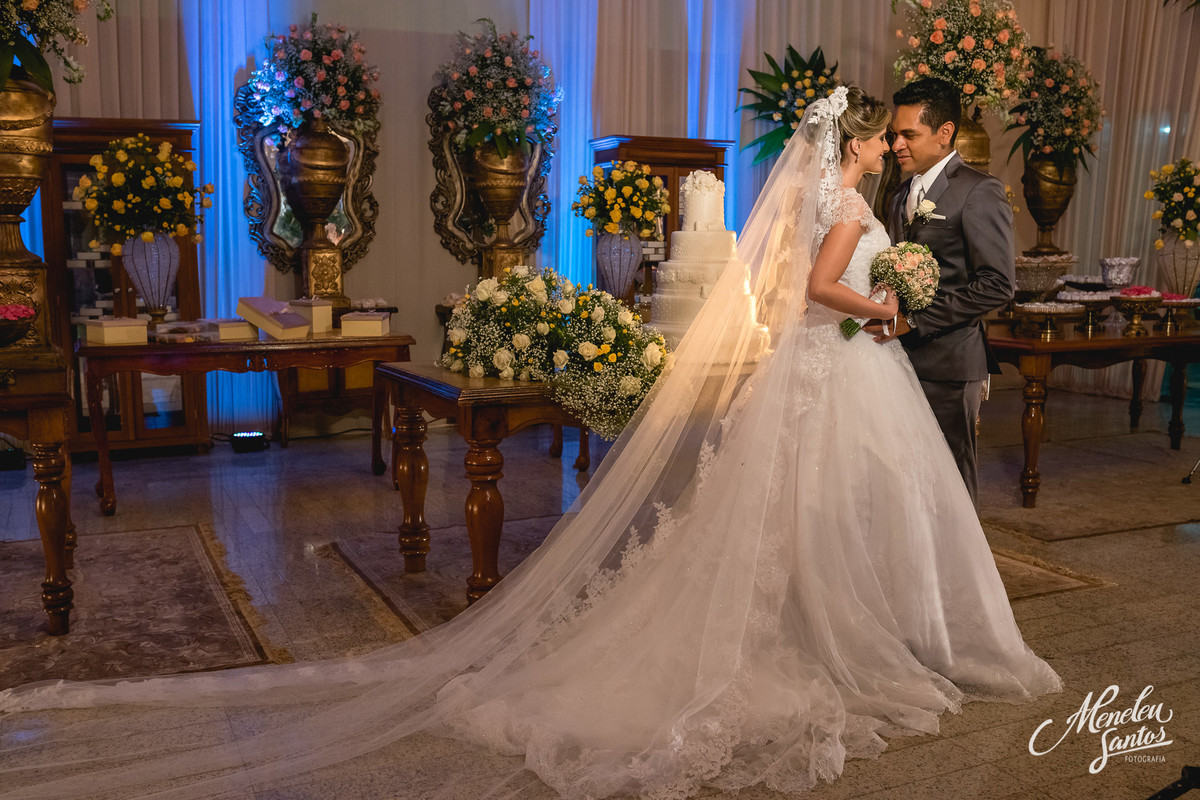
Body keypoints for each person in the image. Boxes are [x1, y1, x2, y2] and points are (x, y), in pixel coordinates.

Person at [0, 87, 1059, 800]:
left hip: (863, 371)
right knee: (840, 505)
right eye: (880, 135)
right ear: (855, 147)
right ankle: (867, 632)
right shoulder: (848, 206)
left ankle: (883, 621)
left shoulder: (865, 196)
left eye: (898, 133)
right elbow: (822, 290)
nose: (890, 141)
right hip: (853, 362)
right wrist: (880, 304)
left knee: (849, 505)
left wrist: (891, 298)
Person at [869, 78, 1017, 507]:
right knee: (905, 480)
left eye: (909, 135)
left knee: (951, 479)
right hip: (896, 359)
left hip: (951, 364)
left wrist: (915, 320)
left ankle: (962, 574)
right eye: (894, 135)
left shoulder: (979, 190)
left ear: (945, 133)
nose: (897, 144)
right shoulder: (898, 194)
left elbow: (998, 284)